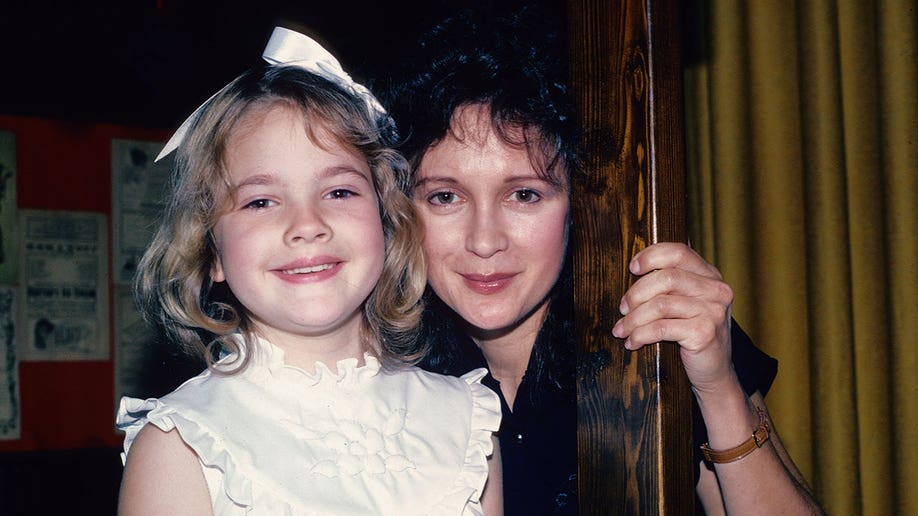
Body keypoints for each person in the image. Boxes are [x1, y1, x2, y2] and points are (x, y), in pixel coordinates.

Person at [382, 7, 824, 515]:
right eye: (444, 197)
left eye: (524, 195)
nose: (485, 242)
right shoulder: (380, 358)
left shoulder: (653, 317)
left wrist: (718, 386)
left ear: (580, 204)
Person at [116, 27, 502, 515]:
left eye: (339, 192)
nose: (307, 225)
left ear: (387, 221)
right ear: (209, 249)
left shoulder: (468, 420)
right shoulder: (183, 443)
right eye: (260, 201)